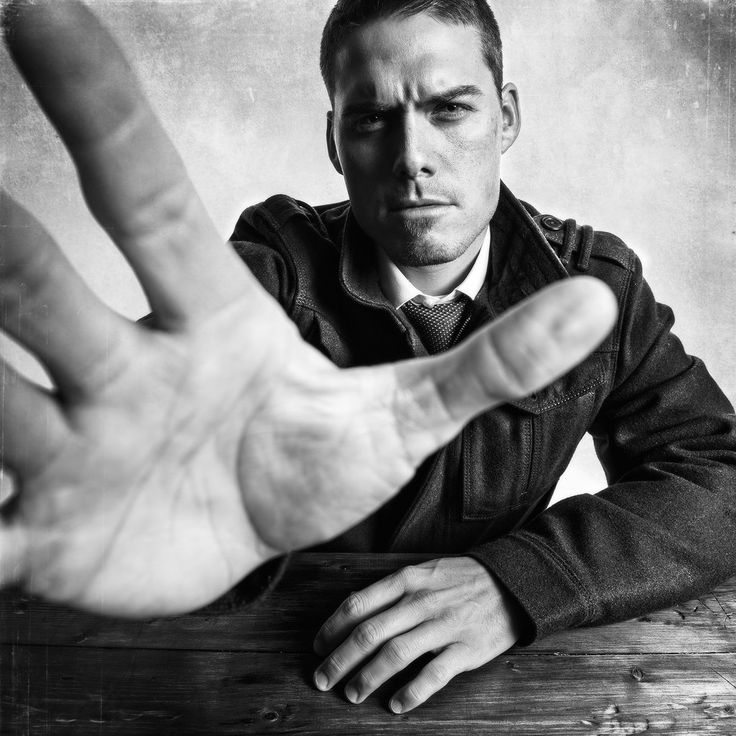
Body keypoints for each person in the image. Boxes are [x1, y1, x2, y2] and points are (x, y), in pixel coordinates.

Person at [0, 0, 733, 718]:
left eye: (449, 110)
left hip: (506, 697)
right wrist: (158, 500)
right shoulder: (273, 272)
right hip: (278, 683)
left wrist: (520, 582)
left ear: (506, 116)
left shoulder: (593, 283)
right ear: (334, 140)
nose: (412, 158)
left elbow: (718, 474)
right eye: (373, 119)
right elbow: (174, 415)